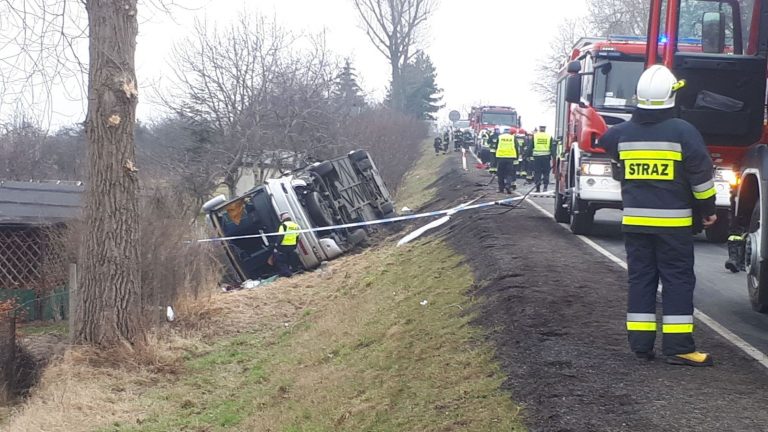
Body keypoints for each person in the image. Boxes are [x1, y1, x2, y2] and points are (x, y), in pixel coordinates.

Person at [598, 65, 717, 367]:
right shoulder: (684, 132)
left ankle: (641, 345)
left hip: (635, 224)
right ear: (672, 97)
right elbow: (701, 179)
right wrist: (708, 210)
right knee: (677, 282)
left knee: (641, 280)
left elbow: (606, 143)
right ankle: (678, 348)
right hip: (672, 225)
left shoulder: (620, 135)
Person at [273, 212, 302, 277]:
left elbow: (281, 236)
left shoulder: (283, 225)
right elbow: (297, 237)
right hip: (292, 246)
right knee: (291, 258)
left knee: (281, 260)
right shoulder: (296, 226)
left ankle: (287, 274)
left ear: (282, 219)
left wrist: (276, 245)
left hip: (283, 246)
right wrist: (295, 246)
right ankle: (296, 270)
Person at [496, 128, 519, 194]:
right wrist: (516, 157)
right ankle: (508, 185)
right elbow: (516, 148)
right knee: (509, 173)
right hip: (510, 158)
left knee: (500, 174)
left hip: (500, 157)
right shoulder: (513, 138)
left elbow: (496, 147)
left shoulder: (500, 137)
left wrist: (496, 157)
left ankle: (501, 188)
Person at [532, 125, 554, 192]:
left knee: (537, 173)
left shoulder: (535, 136)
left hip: (537, 157)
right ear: (545, 129)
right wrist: (554, 157)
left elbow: (531, 146)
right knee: (546, 173)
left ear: (539, 129)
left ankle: (537, 188)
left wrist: (526, 155)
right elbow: (552, 148)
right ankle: (545, 187)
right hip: (546, 157)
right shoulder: (549, 136)